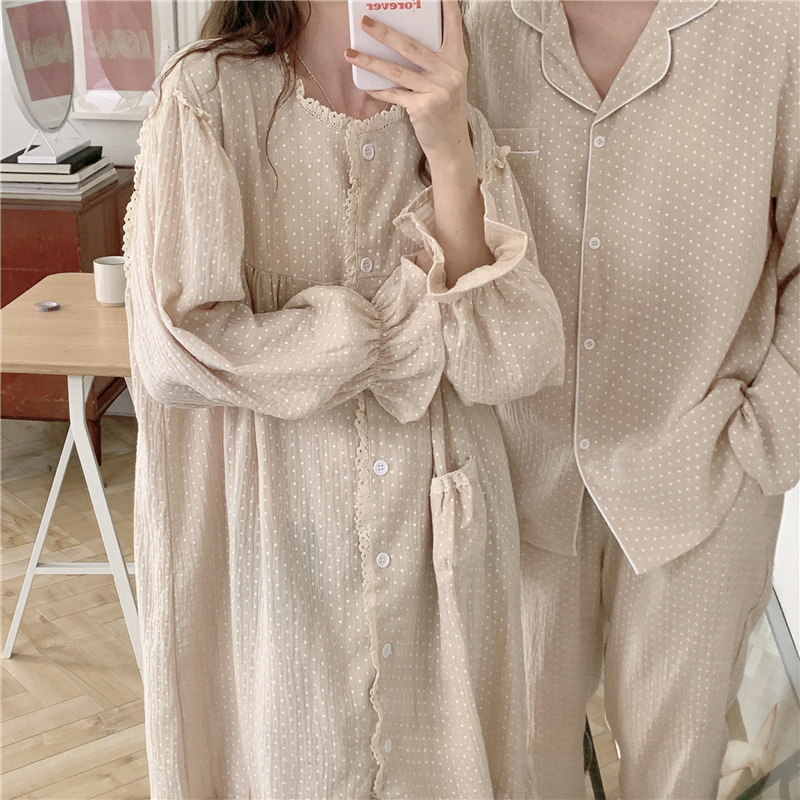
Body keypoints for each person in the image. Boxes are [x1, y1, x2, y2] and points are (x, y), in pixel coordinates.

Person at [123, 1, 564, 797]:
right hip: (277, 539)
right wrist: (393, 332)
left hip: (442, 534)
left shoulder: (453, 112)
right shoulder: (209, 96)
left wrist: (449, 151)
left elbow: (510, 353)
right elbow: (179, 348)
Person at [464, 0, 799, 797]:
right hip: (520, 473)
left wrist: (767, 436)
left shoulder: (773, 29)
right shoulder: (478, 23)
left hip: (702, 467)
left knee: (674, 772)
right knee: (520, 766)